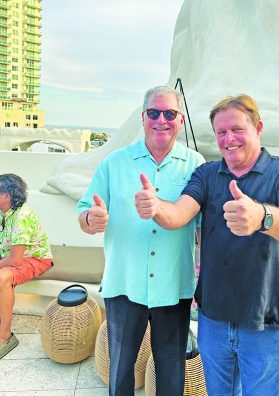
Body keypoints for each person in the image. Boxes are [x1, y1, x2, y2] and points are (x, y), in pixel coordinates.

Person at [135, 94, 279, 396]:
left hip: (265, 320)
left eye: (237, 129)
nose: (228, 139)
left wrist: (262, 216)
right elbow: (179, 213)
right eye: (221, 132)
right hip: (212, 319)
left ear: (258, 128)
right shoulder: (208, 173)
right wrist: (156, 207)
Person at [77, 85, 205, 396]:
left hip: (174, 285)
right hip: (125, 283)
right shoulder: (114, 162)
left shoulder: (196, 164)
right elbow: (84, 212)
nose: (161, 119)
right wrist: (91, 219)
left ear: (181, 120)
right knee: (120, 368)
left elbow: (203, 224)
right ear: (143, 117)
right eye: (153, 113)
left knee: (171, 371)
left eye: (169, 113)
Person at [0, 174, 53, 359]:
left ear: (6, 195)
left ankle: (5, 337)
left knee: (3, 277)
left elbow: (15, 260)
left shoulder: (22, 216)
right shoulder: (4, 212)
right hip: (10, 256)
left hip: (35, 258)